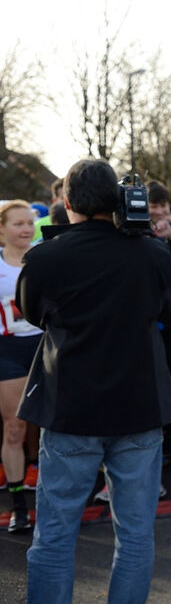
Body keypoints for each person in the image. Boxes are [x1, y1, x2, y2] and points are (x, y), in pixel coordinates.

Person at [8, 159, 171, 604]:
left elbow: (31, 313)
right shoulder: (150, 252)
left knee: (56, 532)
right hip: (138, 407)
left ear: (67, 202)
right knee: (134, 530)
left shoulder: (46, 256)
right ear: (116, 202)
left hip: (71, 408)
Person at [0, 201, 41, 532]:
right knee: (15, 427)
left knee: (50, 423)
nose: (26, 229)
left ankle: (52, 495)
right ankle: (18, 506)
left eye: (30, 223)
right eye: (18, 224)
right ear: (2, 229)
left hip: (45, 347)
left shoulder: (44, 259)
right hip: (8, 349)